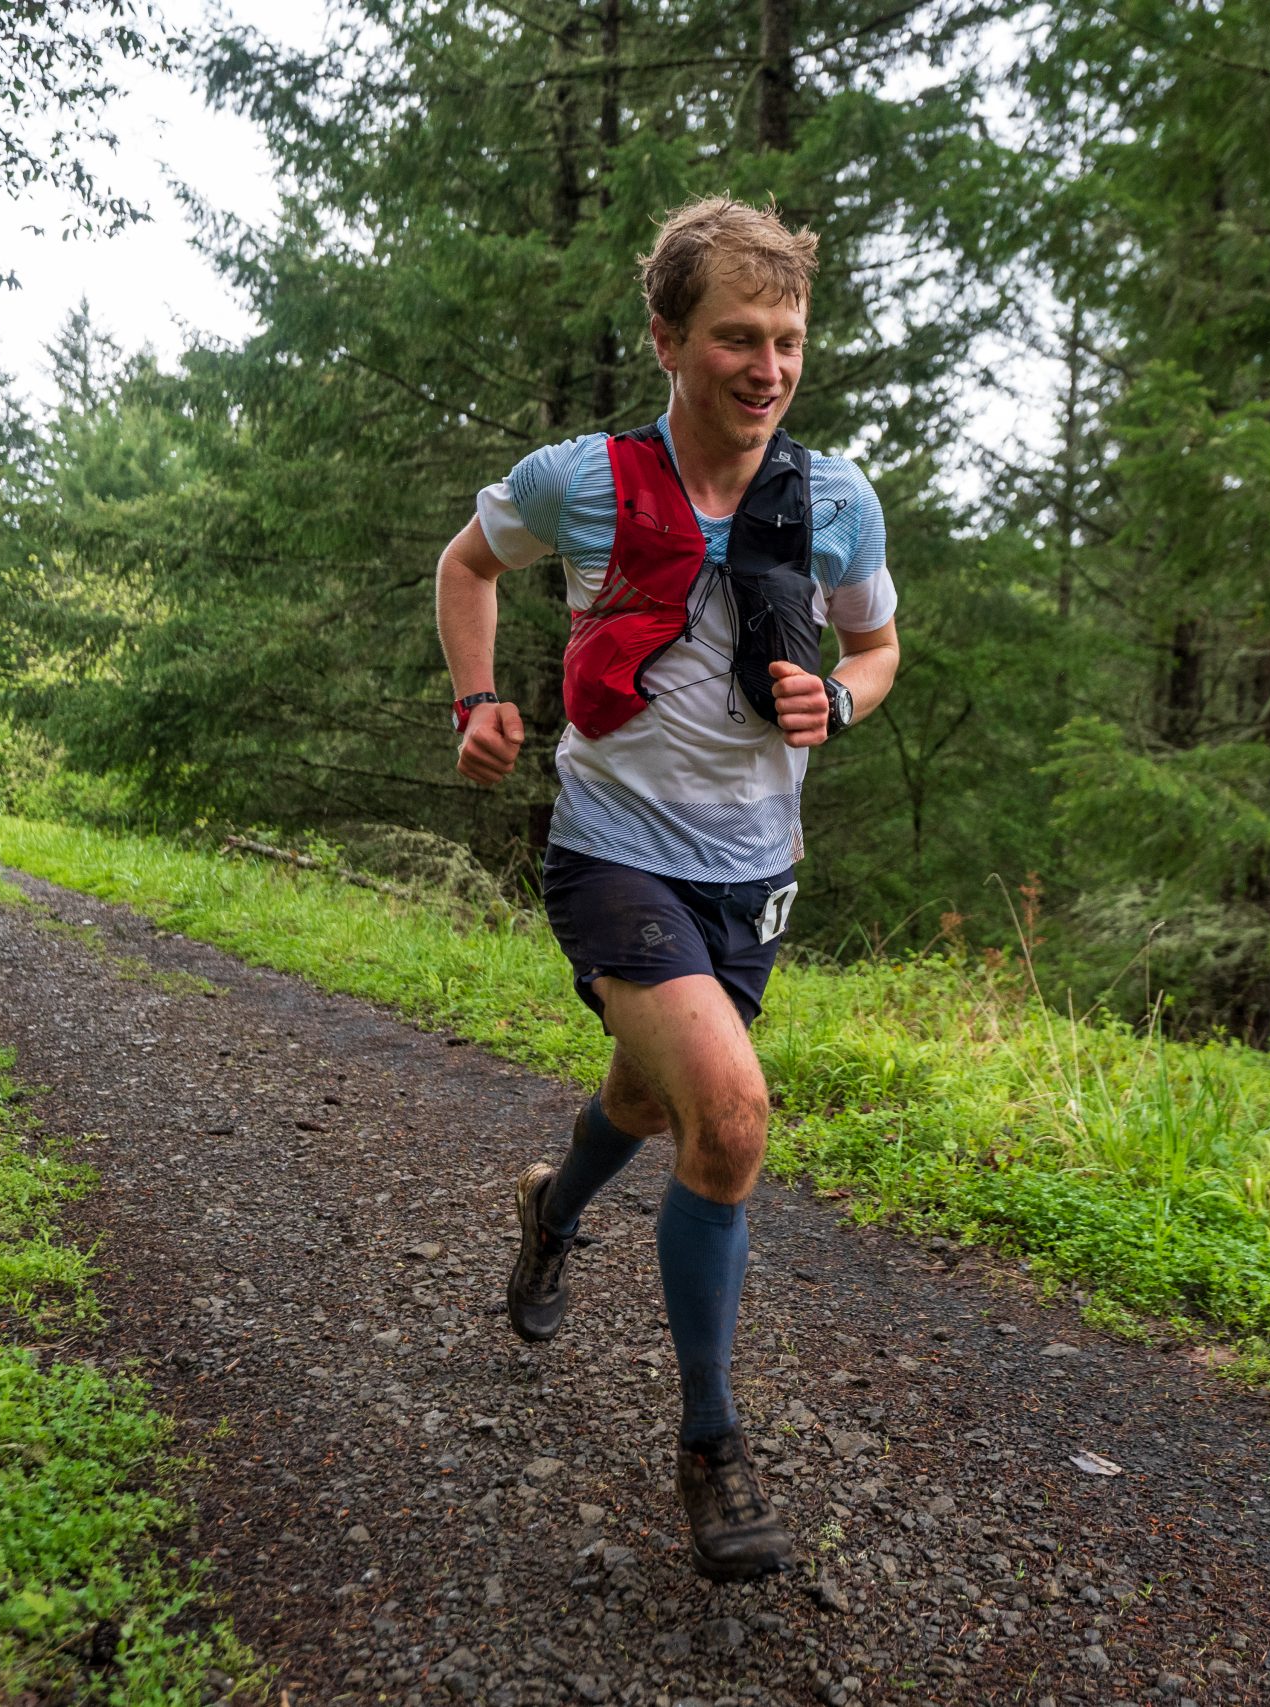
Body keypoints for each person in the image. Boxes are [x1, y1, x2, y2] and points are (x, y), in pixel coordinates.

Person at [433, 196, 899, 1582]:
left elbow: (877, 651)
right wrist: (476, 696)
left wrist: (845, 701)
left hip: (753, 874)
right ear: (668, 339)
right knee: (735, 1118)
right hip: (608, 848)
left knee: (652, 1102)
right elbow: (467, 564)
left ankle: (552, 1211)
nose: (767, 369)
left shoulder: (833, 500)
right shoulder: (585, 480)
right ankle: (711, 1444)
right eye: (737, 340)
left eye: (789, 342)